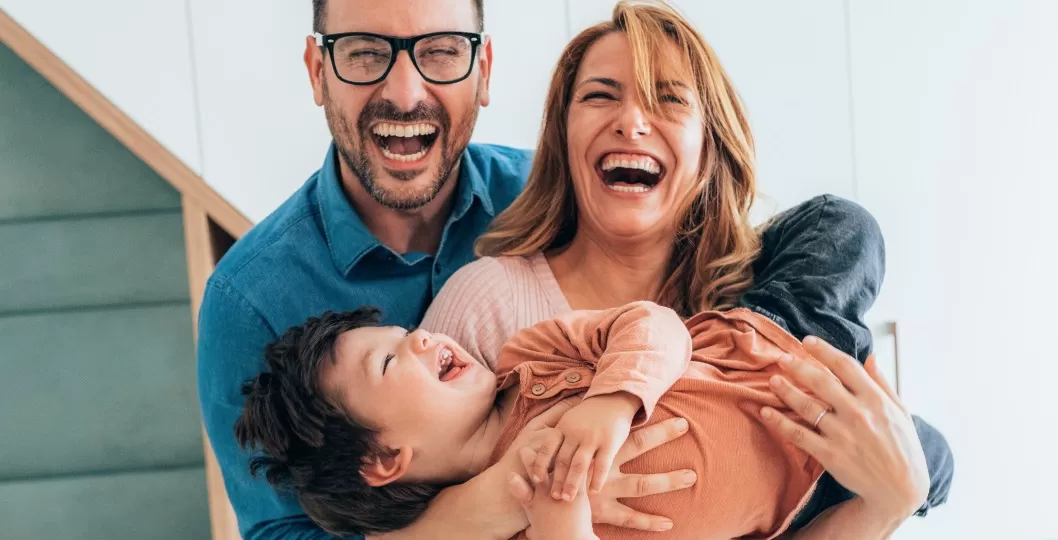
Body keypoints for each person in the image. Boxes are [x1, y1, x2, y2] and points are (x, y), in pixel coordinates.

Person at [419, 1, 953, 538]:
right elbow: (401, 521)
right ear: (563, 135)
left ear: (709, 146)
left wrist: (893, 498)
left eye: (668, 100)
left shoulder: (764, 288)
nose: (630, 121)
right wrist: (543, 492)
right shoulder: (489, 301)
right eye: (600, 95)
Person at [197, 1, 699, 538]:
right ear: (318, 72)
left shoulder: (563, 194)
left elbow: (718, 261)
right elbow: (282, 531)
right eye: (365, 54)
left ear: (483, 72)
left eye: (441, 52)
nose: (406, 94)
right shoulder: (248, 299)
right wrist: (510, 497)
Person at [235, 298, 887, 539]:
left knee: (846, 229)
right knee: (929, 466)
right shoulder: (510, 524)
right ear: (383, 460)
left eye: (406, 330)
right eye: (389, 362)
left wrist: (610, 403)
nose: (424, 338)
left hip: (766, 344)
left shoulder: (529, 358)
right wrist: (557, 507)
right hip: (802, 499)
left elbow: (653, 323)